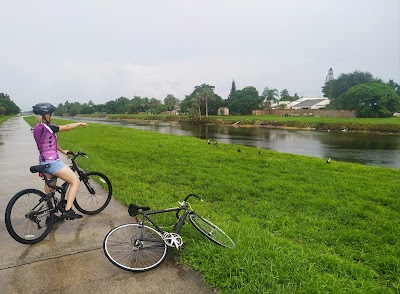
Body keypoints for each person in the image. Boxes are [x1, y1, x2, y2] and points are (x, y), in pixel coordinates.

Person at [32, 102, 89, 220]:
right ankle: (67, 211)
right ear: (46, 115)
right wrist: (79, 123)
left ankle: (50, 216)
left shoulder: (37, 128)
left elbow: (48, 143)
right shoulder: (48, 127)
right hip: (53, 163)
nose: (51, 117)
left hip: (43, 163)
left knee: (50, 191)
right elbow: (67, 127)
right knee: (75, 182)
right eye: (50, 114)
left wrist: (63, 151)